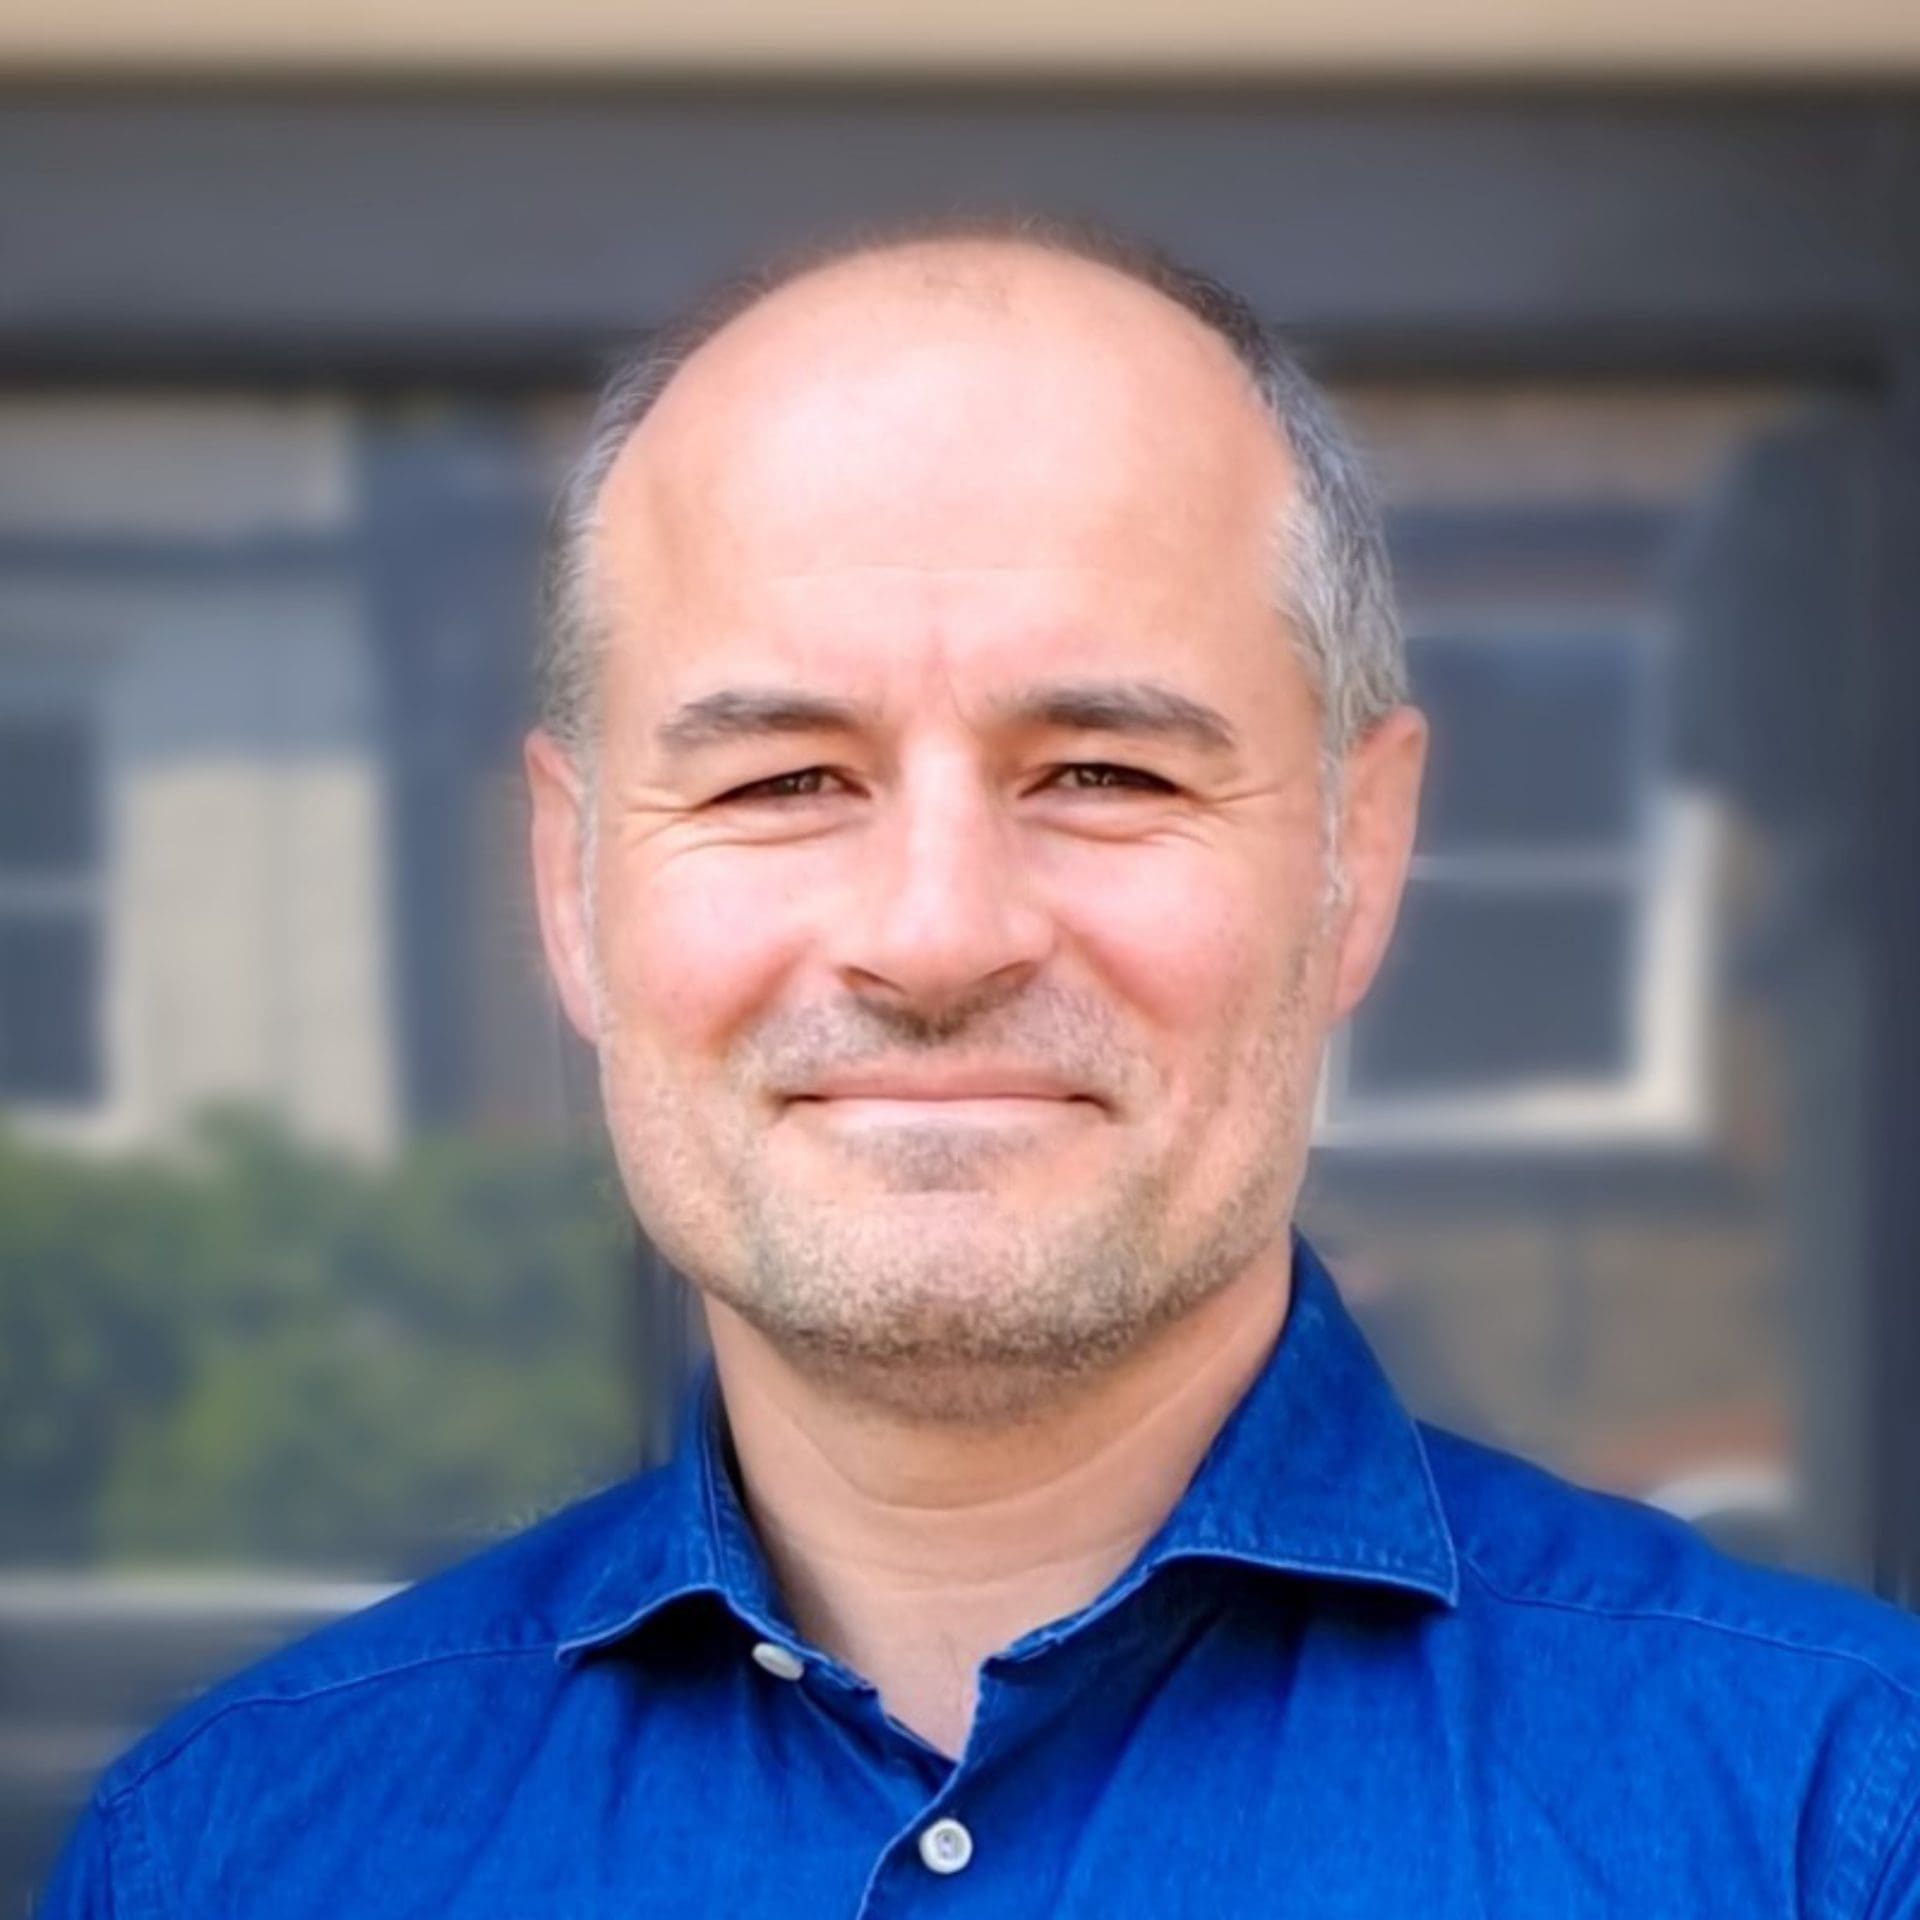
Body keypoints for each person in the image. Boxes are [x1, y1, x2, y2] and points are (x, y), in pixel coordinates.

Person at [37, 213, 1920, 1918]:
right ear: (571, 882)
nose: (937, 934)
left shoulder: (1835, 1830)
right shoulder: (230, 1860)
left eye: (1104, 772)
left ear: (1361, 858)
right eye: (783, 780)